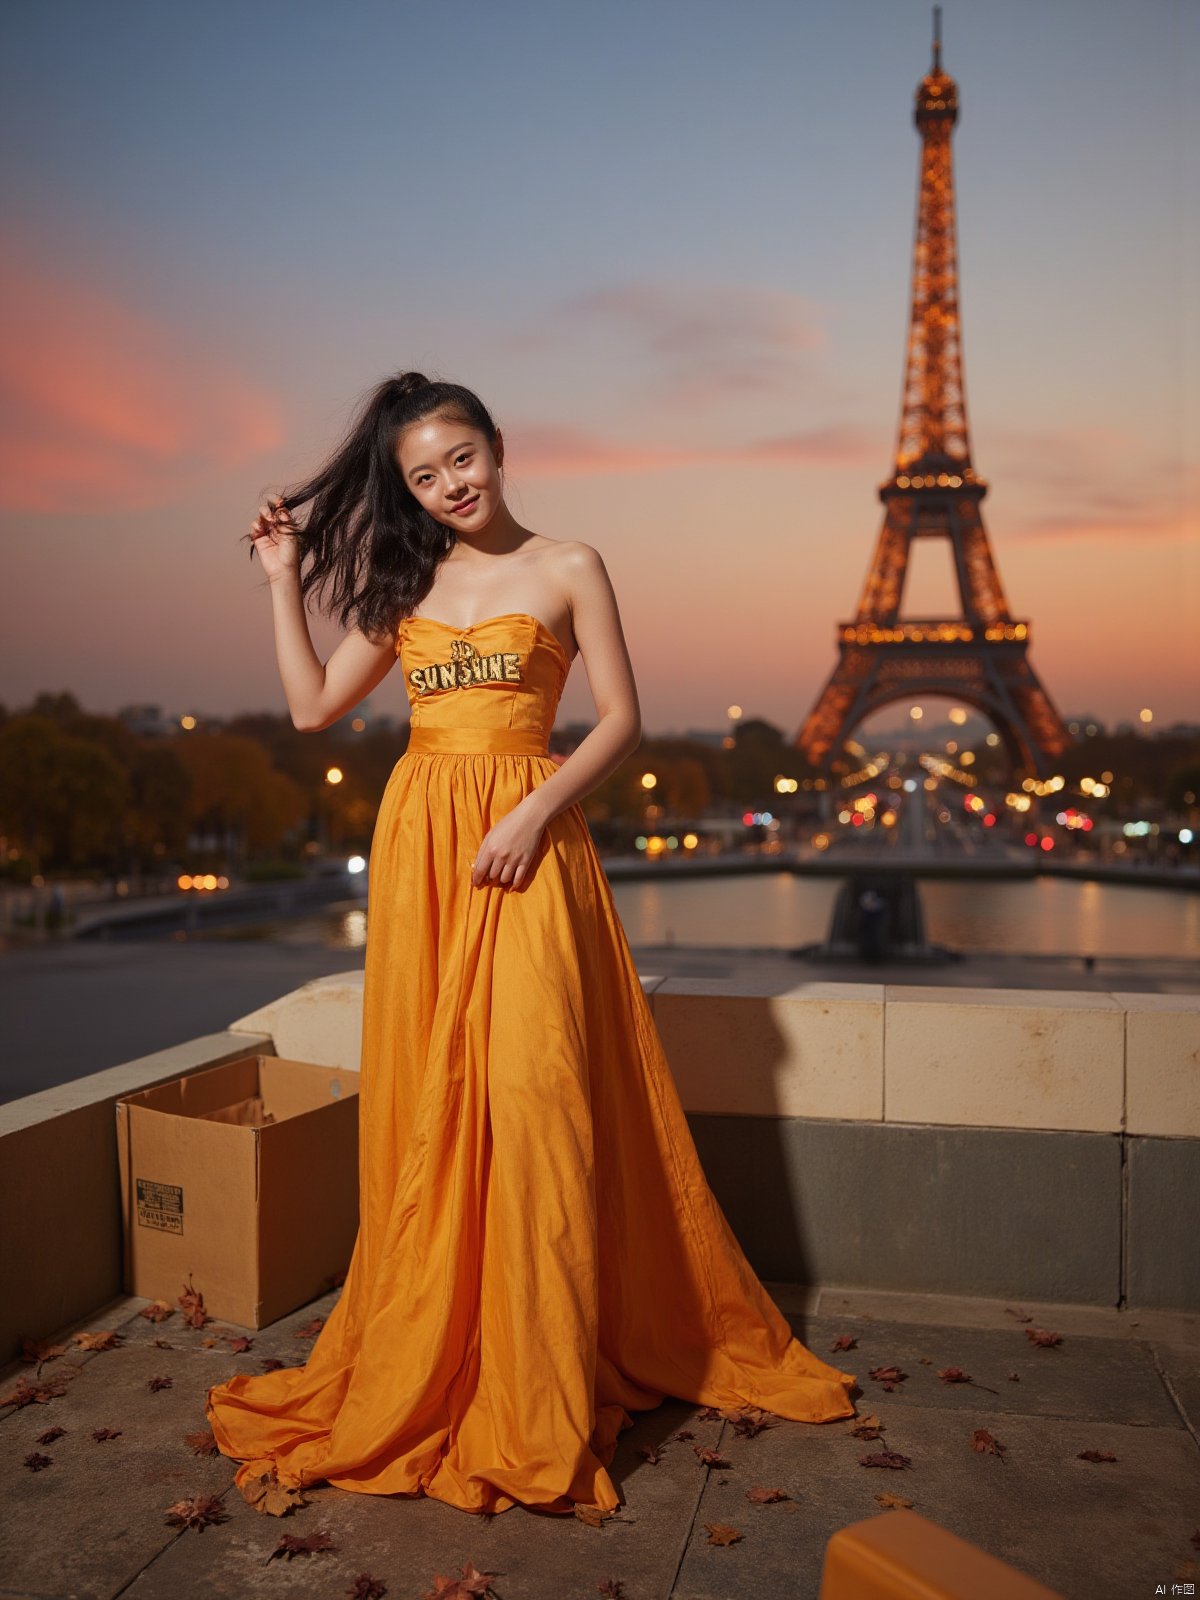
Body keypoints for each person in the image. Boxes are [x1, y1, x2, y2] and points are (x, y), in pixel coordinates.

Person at [204, 370, 859, 1517]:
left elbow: (621, 719)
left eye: (462, 458)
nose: (449, 484)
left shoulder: (569, 565)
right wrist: (279, 583)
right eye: (422, 474)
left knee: (537, 1094)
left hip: (527, 843)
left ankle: (538, 1369)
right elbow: (312, 710)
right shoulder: (404, 580)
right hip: (423, 851)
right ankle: (447, 1345)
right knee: (431, 1102)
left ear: (497, 447)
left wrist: (533, 808)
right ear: (405, 488)